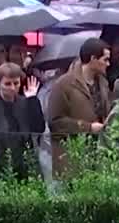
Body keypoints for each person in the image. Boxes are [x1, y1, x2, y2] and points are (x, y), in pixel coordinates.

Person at [46, 38, 112, 176]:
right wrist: (88, 127)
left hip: (97, 157)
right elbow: (55, 122)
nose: (108, 64)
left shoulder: (103, 83)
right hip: (71, 160)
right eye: (105, 59)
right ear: (93, 59)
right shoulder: (63, 84)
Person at [0, 62, 44, 178]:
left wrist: (33, 100)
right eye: (7, 84)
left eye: (16, 83)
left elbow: (39, 128)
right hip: (2, 161)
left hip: (26, 161)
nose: (13, 88)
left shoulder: (25, 102)